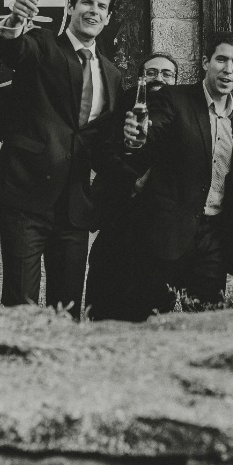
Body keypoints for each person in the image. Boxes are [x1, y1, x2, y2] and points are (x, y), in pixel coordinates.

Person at [0, 0, 122, 317]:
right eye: (87, 2)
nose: (93, 10)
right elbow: (14, 49)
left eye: (101, 6)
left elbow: (101, 143)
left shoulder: (112, 74)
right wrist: (16, 20)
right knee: (21, 307)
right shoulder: (44, 45)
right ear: (71, 7)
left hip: (74, 208)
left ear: (108, 18)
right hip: (24, 197)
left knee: (67, 309)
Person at [118, 35, 233, 313]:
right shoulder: (173, 98)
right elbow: (152, 131)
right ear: (206, 62)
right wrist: (137, 136)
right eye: (221, 59)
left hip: (214, 240)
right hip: (165, 236)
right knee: (153, 321)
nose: (227, 69)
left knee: (208, 322)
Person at [86, 52, 179, 321]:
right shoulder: (121, 106)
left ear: (176, 80)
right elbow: (100, 151)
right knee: (105, 300)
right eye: (151, 72)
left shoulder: (184, 109)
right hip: (117, 216)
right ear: (141, 79)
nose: (159, 78)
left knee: (152, 307)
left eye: (167, 73)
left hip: (160, 224)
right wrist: (132, 180)